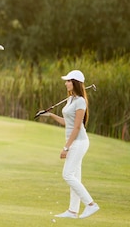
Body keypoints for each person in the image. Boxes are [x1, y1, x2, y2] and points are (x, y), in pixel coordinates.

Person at [38, 69, 100, 219]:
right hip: (73, 142)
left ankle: (91, 204)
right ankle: (73, 211)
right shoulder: (71, 99)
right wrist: (50, 115)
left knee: (67, 175)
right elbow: (68, 123)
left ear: (75, 83)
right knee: (75, 177)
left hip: (79, 142)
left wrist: (66, 147)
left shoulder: (80, 101)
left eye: (68, 81)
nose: (66, 83)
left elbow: (78, 127)